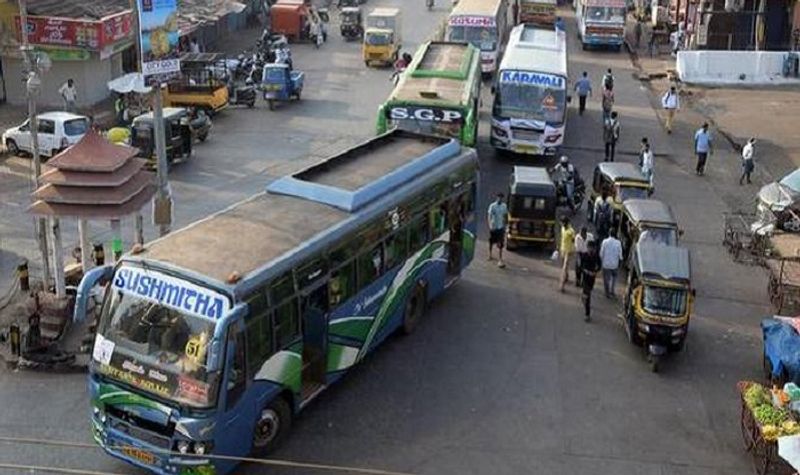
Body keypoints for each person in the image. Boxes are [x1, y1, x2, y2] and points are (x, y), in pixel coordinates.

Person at [579, 240, 602, 321]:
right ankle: (587, 314)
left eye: (592, 248)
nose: (591, 250)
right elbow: (580, 267)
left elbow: (599, 265)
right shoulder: (584, 255)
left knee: (588, 293)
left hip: (592, 278)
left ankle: (583, 297)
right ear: (587, 248)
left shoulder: (596, 256)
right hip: (585, 277)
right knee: (588, 296)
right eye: (589, 248)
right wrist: (586, 271)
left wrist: (596, 272)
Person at [487, 192, 508, 268]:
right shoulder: (492, 206)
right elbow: (489, 215)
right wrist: (490, 225)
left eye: (501, 198)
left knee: (501, 243)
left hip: (500, 227)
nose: (500, 199)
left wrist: (506, 225)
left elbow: (505, 216)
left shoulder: (504, 206)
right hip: (494, 226)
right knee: (491, 241)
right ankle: (490, 254)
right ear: (497, 198)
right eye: (499, 197)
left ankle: (500, 258)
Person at [599, 231, 623, 298]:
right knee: (614, 278)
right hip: (615, 265)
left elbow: (601, 253)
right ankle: (612, 291)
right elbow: (620, 255)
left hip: (606, 264)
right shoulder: (618, 243)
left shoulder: (605, 241)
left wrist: (601, 262)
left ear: (609, 234)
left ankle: (607, 292)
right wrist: (620, 263)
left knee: (606, 279)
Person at [559, 217, 576, 292]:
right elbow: (562, 238)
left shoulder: (571, 231)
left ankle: (562, 285)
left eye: (562, 222)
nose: (561, 224)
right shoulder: (562, 228)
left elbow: (573, 240)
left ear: (564, 223)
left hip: (568, 251)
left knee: (564, 268)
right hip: (563, 249)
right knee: (564, 267)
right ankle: (566, 277)